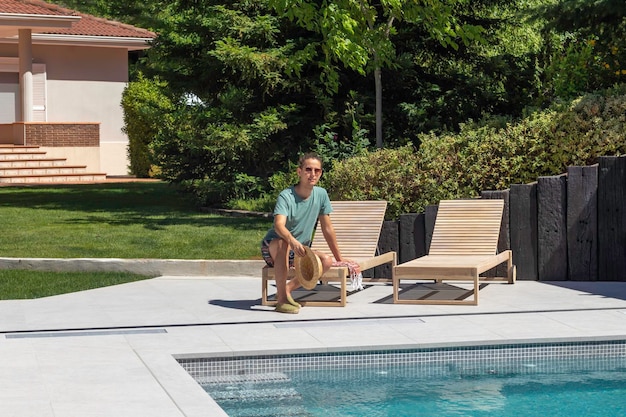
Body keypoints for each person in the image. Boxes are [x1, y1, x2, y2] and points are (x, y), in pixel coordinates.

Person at [261, 152, 344, 314]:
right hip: (274, 247)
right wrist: (292, 240)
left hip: (299, 250)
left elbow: (327, 229)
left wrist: (339, 259)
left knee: (325, 261)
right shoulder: (286, 196)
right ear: (299, 172)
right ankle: (282, 301)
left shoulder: (321, 195)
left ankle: (285, 290)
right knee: (284, 242)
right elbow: (279, 225)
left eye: (317, 171)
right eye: (308, 169)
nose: (312, 174)